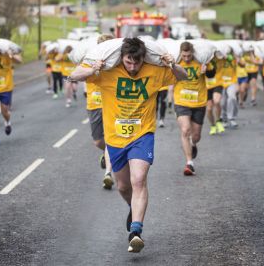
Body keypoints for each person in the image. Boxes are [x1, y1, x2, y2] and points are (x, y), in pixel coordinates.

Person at [70, 37, 187, 253]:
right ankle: (132, 208)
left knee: (139, 179)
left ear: (144, 59)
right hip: (115, 139)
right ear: (121, 58)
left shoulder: (154, 71)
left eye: (137, 62)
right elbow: (73, 75)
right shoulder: (106, 72)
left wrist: (172, 63)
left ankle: (136, 232)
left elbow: (183, 76)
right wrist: (93, 69)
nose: (133, 67)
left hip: (142, 134)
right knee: (124, 187)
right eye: (128, 62)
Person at [174, 41, 216, 176]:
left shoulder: (201, 60)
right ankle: (189, 163)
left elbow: (212, 74)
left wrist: (207, 70)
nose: (186, 59)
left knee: (196, 136)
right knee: (185, 130)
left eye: (189, 56)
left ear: (193, 53)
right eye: (184, 56)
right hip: (181, 101)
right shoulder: (176, 62)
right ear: (181, 54)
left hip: (199, 102)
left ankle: (193, 143)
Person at [81, 34, 114, 189]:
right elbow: (78, 75)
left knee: (110, 139)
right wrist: (94, 69)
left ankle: (108, 173)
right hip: (94, 105)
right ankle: (108, 155)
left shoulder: (117, 62)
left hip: (113, 105)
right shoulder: (89, 60)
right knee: (99, 141)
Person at [206, 52, 225, 135]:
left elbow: (228, 56)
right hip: (206, 86)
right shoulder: (204, 59)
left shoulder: (220, 58)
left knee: (216, 101)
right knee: (209, 108)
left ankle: (218, 121)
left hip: (218, 83)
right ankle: (213, 125)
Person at [219, 50, 239, 129]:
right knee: (223, 102)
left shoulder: (233, 57)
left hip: (232, 81)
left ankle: (232, 118)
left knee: (232, 97)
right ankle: (223, 118)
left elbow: (241, 63)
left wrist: (230, 56)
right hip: (220, 82)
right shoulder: (219, 57)